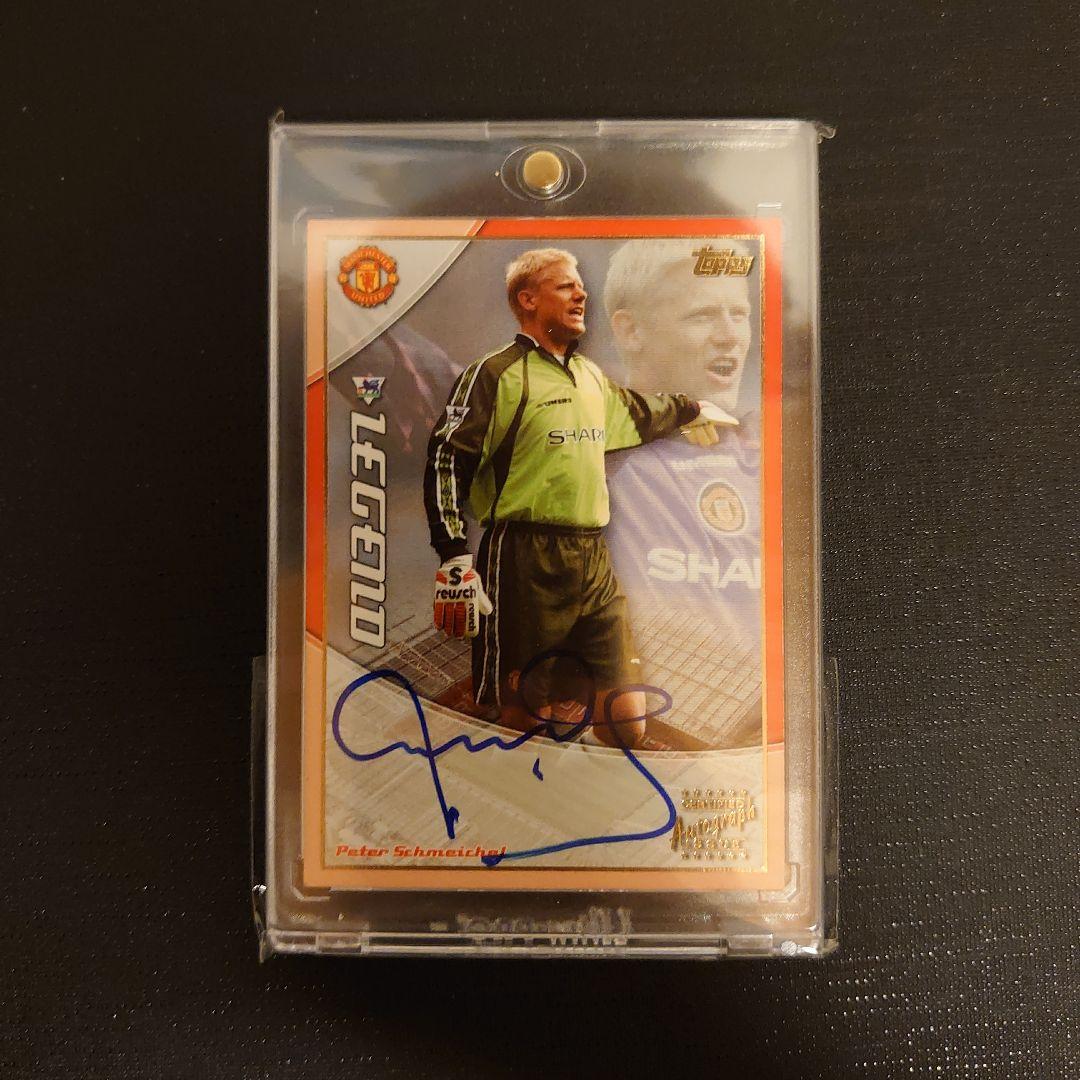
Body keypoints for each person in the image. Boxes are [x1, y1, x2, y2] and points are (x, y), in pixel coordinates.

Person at [422, 248, 723, 748]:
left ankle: (582, 758)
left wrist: (692, 408)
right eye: (565, 286)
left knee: (627, 723)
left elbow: (640, 412)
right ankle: (522, 781)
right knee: (527, 721)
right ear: (528, 299)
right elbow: (445, 457)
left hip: (591, 555)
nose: (581, 294)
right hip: (523, 557)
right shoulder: (496, 374)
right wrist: (454, 555)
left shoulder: (589, 376)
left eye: (580, 285)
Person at [601, 239, 763, 748]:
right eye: (702, 316)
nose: (730, 336)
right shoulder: (583, 448)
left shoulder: (774, 449)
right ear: (630, 330)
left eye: (739, 314)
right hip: (643, 746)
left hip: (752, 753)